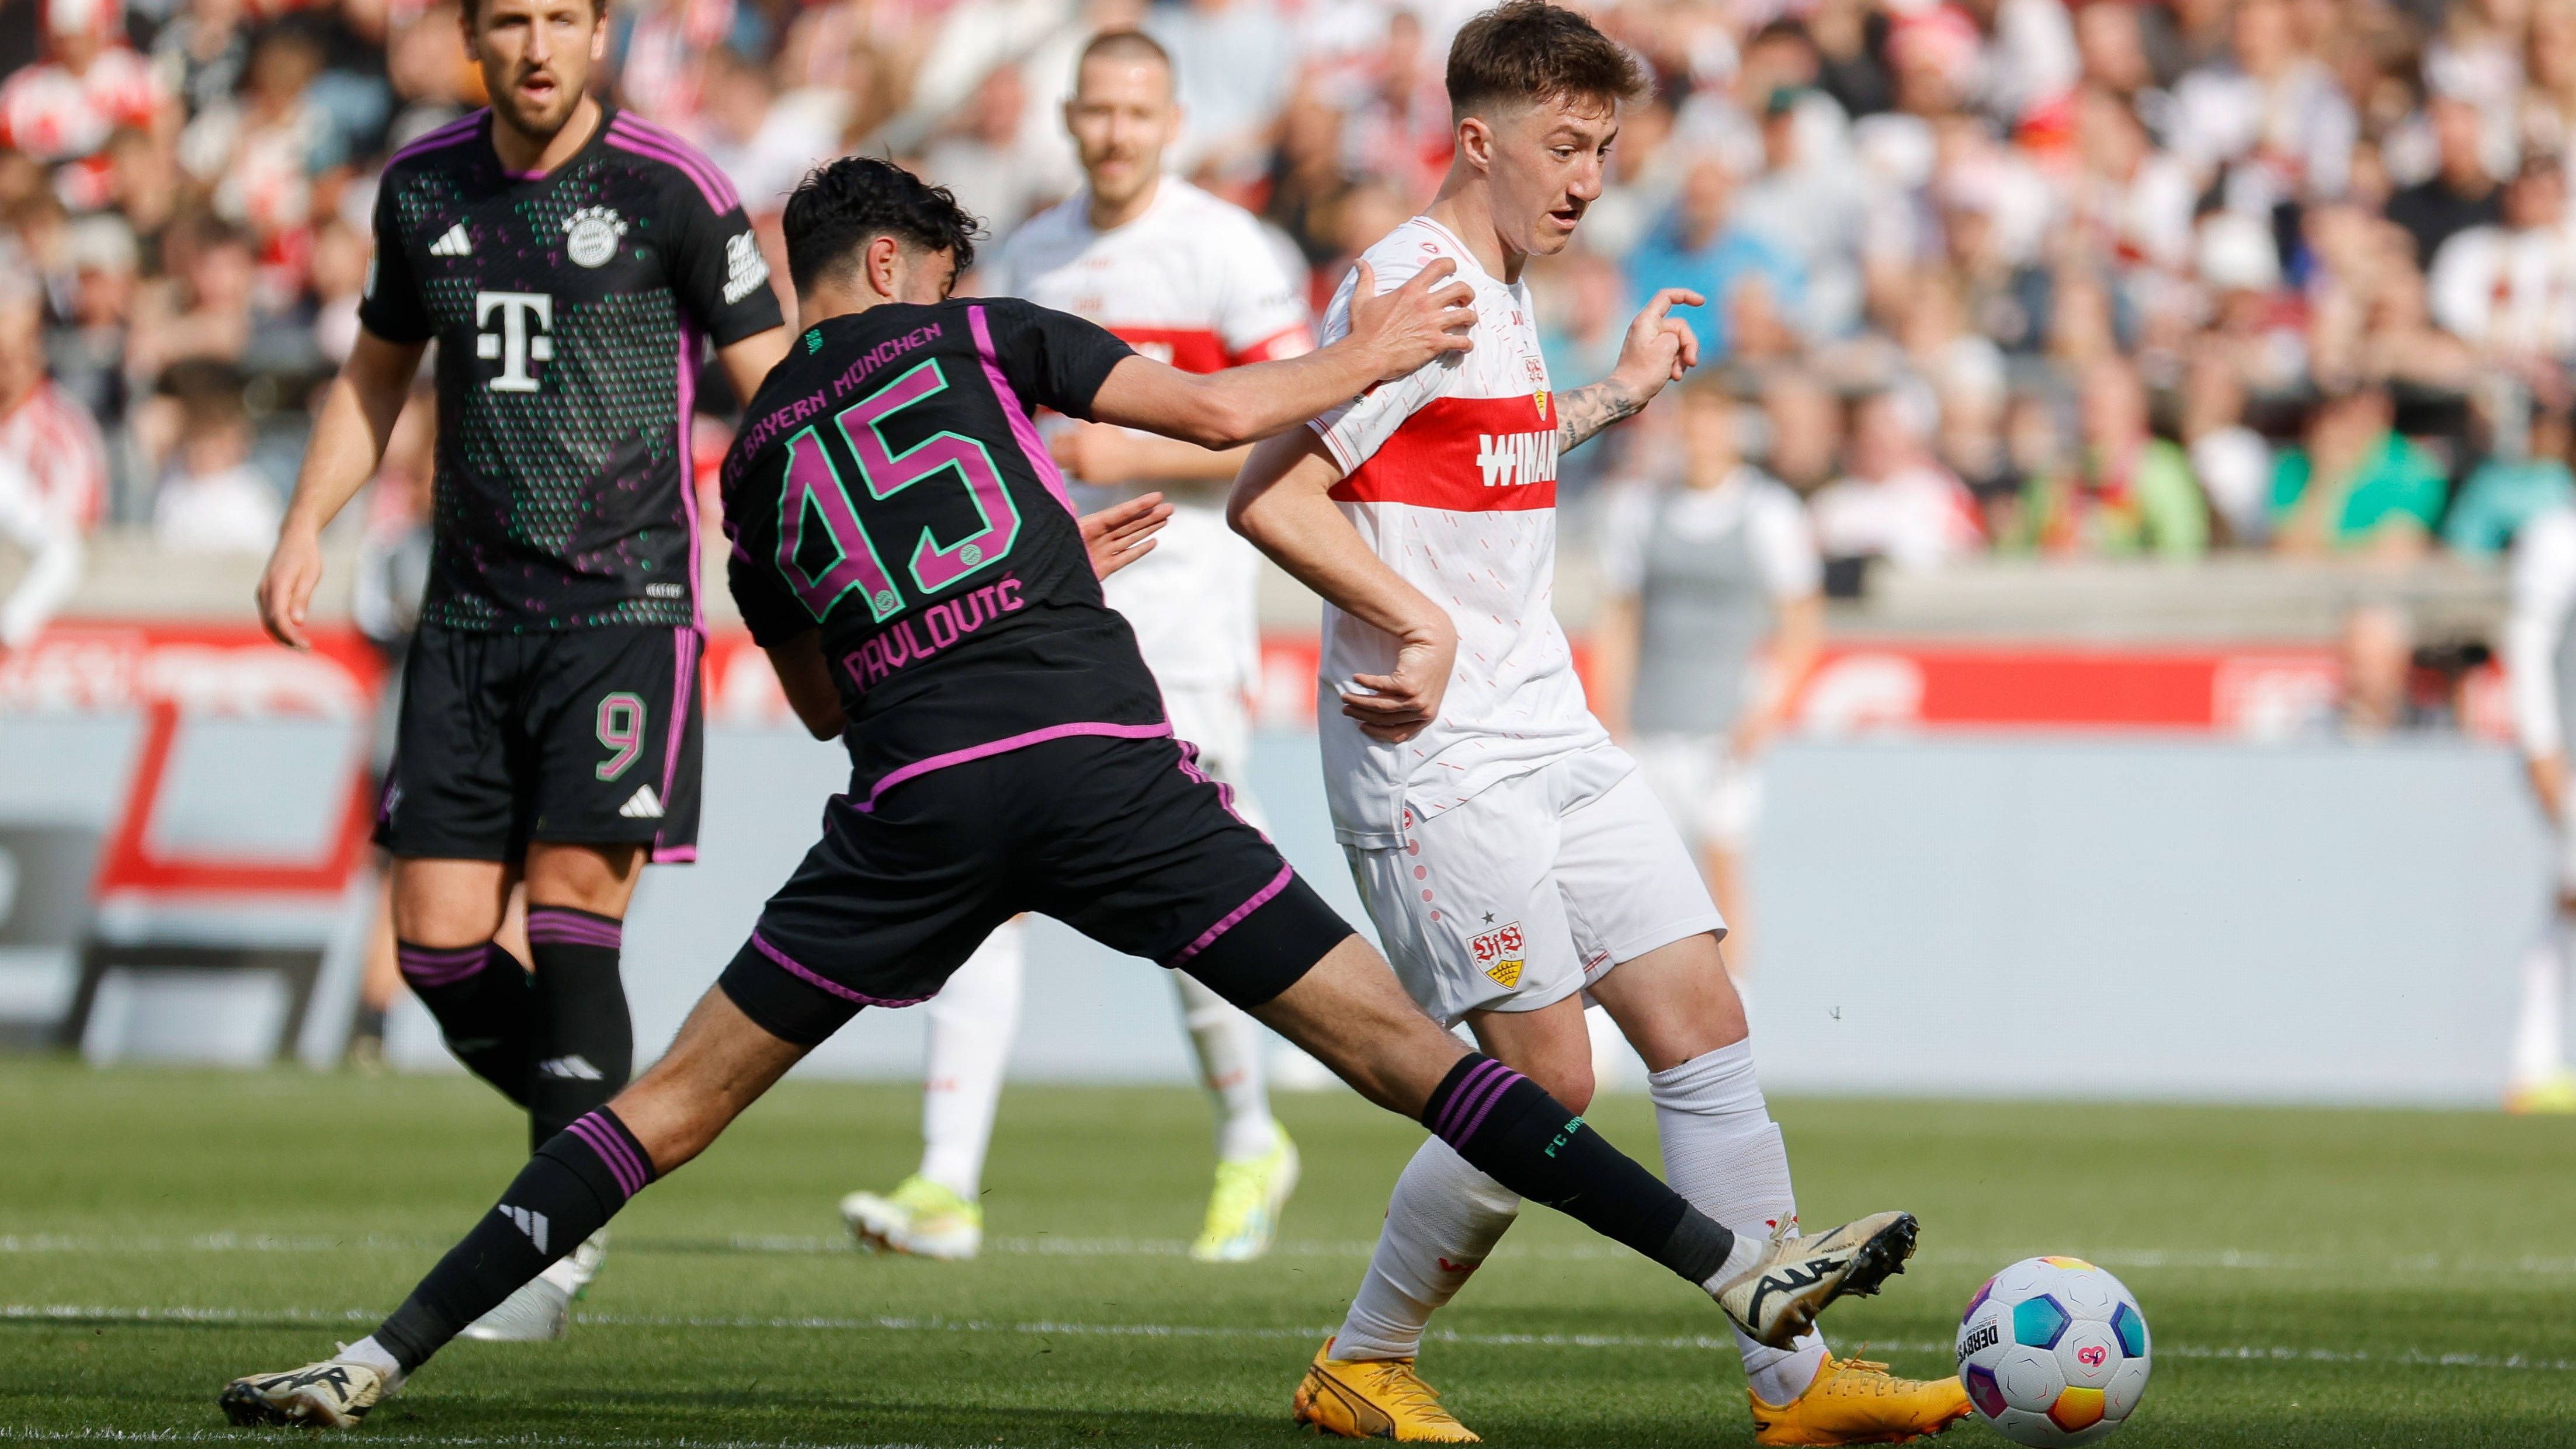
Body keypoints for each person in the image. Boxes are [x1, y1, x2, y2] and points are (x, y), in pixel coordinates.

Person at [218, 153, 1924, 1431]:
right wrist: (1380, 344)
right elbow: (1217, 410)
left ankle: (377, 1356)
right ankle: (1732, 1265)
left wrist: (1014, 578)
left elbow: (830, 701)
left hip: (923, 805)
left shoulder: (752, 467)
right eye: (944, 261)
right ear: (898, 260)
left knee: (666, 1108)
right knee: (1413, 1058)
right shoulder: (985, 333)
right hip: (1106, 769)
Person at [1224, 6, 1969, 1445]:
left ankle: (1795, 1385)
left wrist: (1615, 396)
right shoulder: (1410, 282)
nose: (1586, 180)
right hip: (1433, 751)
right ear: (1479, 137)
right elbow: (1276, 495)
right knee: (1548, 1081)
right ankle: (1364, 1358)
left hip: (1548, 723)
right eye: (1563, 148)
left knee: (1701, 1015)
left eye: (1605, 151)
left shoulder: (1502, 290)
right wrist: (1421, 624)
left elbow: (1479, 446)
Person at [249, 0, 794, 1343]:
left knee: (568, 918)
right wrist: (301, 526)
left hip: (628, 609)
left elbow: (775, 383)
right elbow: (375, 379)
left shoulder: (673, 188)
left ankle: (551, 1247)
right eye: (513, 19)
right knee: (436, 951)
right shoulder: (422, 190)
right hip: (467, 623)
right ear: (473, 40)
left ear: (601, 34)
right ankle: (600, 1145)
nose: (540, 42)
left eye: (565, 17)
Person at [836, 27, 1310, 1268]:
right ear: (1067, 114)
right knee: (984, 880)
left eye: (1135, 113)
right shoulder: (1031, 255)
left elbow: (1299, 415)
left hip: (1189, 615)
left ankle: (1254, 1134)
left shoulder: (1228, 252)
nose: (1113, 132)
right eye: (1094, 111)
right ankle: (946, 1180)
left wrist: (1128, 454)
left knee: (1199, 875)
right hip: (1044, 619)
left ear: (1174, 121)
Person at [1593, 381, 1824, 979]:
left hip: (1724, 728)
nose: (1701, 435)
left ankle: (1732, 1021)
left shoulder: (1770, 511)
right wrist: (1607, 714)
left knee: (1722, 875)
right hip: (1649, 723)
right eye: (1692, 420)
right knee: (1640, 881)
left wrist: (1765, 714)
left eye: (1713, 421)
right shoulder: (1641, 508)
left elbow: (1802, 624)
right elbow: (1619, 619)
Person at [2504, 504, 2576, 1113]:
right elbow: (2529, 642)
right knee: (2571, 897)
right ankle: (2536, 1062)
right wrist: (2542, 742)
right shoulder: (2558, 536)